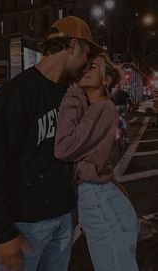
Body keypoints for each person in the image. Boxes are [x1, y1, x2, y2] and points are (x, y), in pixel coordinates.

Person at [0, 16, 102, 271]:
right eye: (86, 52)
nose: (86, 61)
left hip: (62, 220)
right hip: (23, 225)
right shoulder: (17, 94)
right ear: (72, 46)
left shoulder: (68, 94)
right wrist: (3, 232)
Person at [55, 53, 139, 271]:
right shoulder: (98, 107)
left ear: (106, 80)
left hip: (96, 198)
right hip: (103, 195)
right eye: (84, 68)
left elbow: (63, 148)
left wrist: (73, 93)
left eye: (92, 67)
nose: (85, 71)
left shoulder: (101, 108)